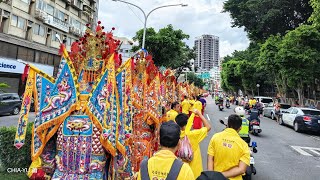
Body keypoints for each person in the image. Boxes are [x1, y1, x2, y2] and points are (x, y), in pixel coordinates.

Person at [207, 114, 250, 180]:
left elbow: (210, 159)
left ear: (228, 124)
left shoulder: (215, 137)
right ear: (240, 127)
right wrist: (221, 175)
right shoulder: (244, 145)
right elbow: (242, 169)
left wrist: (212, 176)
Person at [176, 110, 211, 178]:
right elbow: (208, 127)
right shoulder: (193, 135)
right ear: (188, 123)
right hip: (195, 171)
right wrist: (200, 115)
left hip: (183, 170)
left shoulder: (177, 135)